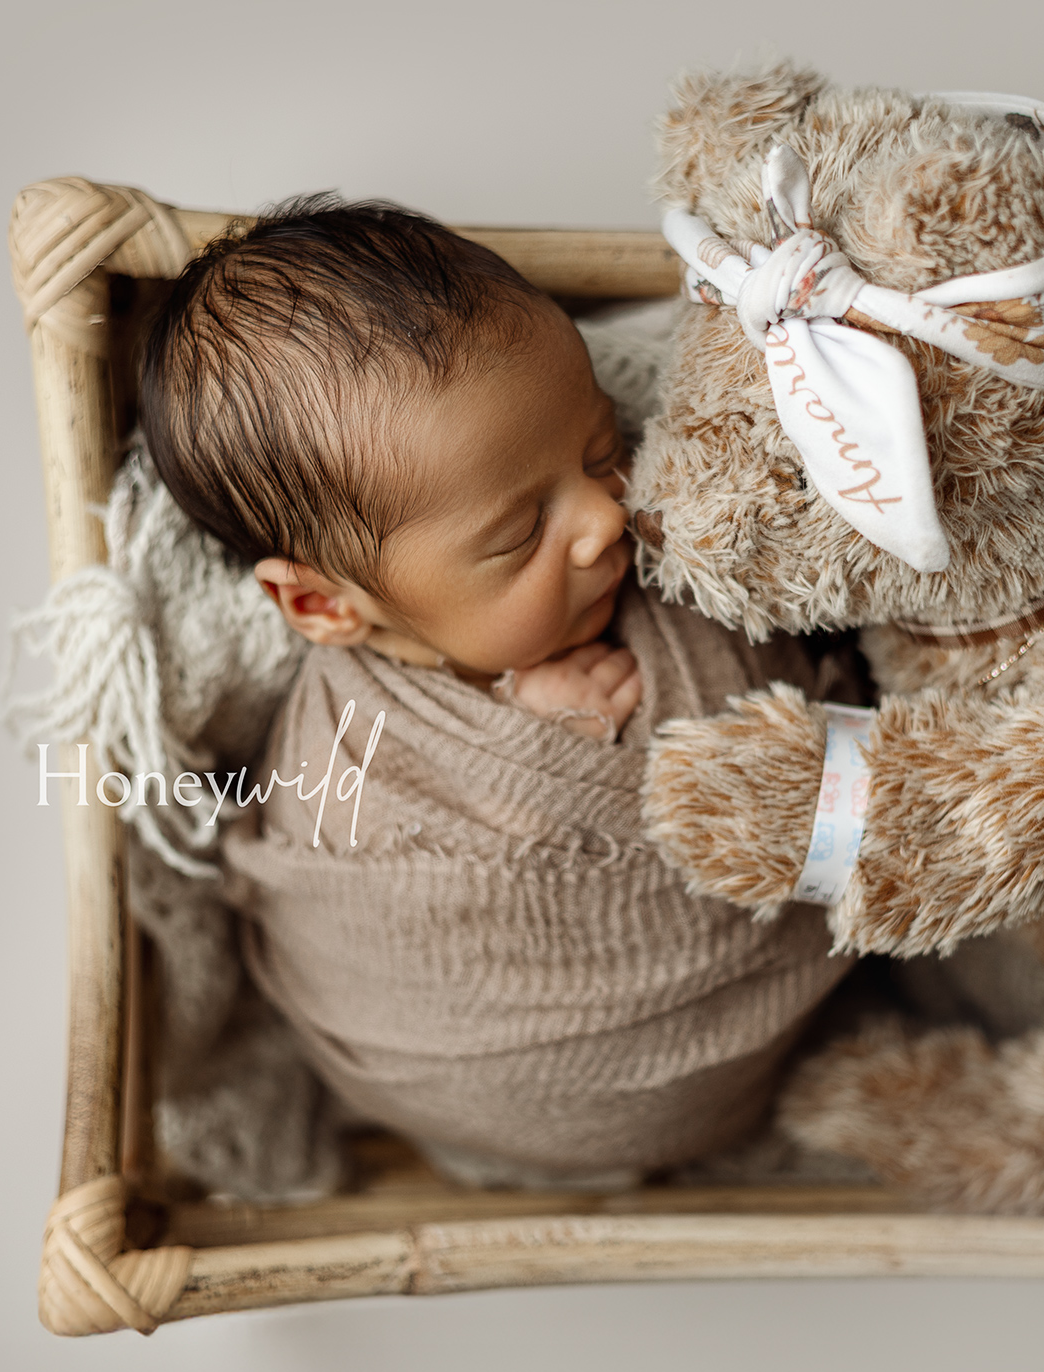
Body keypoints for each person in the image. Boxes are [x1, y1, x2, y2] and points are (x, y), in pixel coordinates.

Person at [137, 197, 849, 1184]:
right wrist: (533, 759)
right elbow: (365, 866)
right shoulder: (350, 747)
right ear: (324, 606)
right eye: (518, 535)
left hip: (774, 1037)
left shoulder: (647, 566)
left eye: (602, 451)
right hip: (480, 1069)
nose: (606, 515)